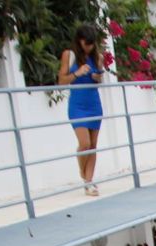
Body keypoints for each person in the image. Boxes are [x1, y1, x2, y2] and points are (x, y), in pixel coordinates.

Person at [58, 25, 104, 196]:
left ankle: (89, 182)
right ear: (79, 41)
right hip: (77, 105)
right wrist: (77, 73)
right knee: (84, 144)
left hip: (94, 103)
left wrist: (97, 77)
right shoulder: (69, 55)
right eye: (86, 44)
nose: (89, 47)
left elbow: (99, 80)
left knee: (93, 145)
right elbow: (62, 81)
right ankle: (83, 173)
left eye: (92, 44)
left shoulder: (97, 57)